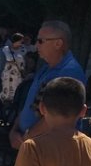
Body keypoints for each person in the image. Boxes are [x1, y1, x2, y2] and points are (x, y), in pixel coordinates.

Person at [9, 20, 86, 150]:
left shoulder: (69, 73)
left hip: (51, 149)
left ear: (58, 43)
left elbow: (58, 116)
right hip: (33, 144)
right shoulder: (46, 68)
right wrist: (14, 131)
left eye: (41, 41)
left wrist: (26, 139)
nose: (36, 45)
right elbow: (30, 104)